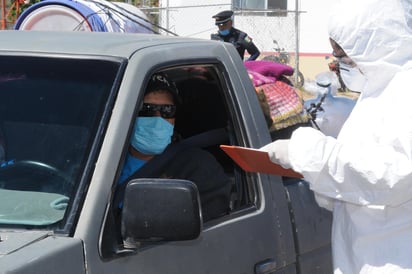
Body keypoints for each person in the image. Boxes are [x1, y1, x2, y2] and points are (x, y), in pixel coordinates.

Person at [260, 0, 412, 273]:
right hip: (364, 249)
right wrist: (313, 169)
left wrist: (309, 153)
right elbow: (361, 163)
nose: (340, 64)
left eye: (344, 55)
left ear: (375, 42)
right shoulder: (377, 88)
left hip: (396, 254)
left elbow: (399, 175)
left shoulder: (405, 88)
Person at [118, 72, 231, 221]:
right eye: (147, 109)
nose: (158, 118)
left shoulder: (197, 166)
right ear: (128, 113)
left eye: (167, 110)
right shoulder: (101, 157)